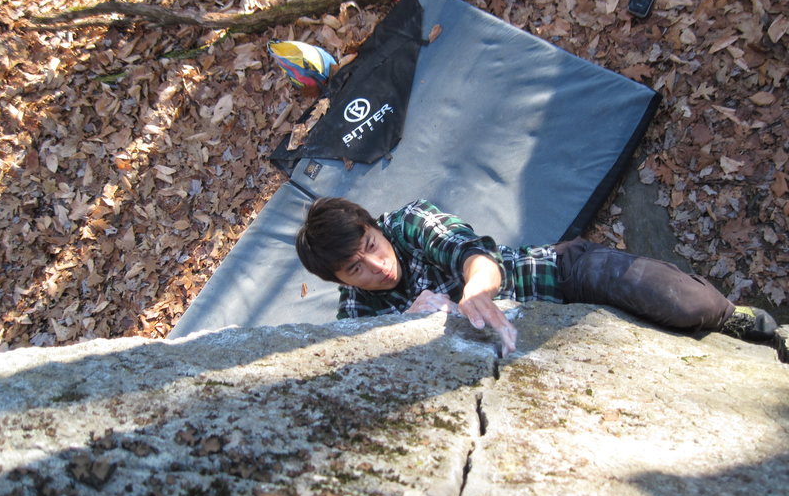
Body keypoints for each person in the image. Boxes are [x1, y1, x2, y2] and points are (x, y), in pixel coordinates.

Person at [295, 197, 779, 357]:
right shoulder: (356, 315)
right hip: (517, 351)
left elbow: (470, 250)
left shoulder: (410, 220)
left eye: (372, 247)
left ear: (376, 228)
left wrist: (478, 290)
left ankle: (733, 318)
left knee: (686, 305)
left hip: (552, 274)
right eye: (356, 268)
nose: (377, 266)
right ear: (342, 281)